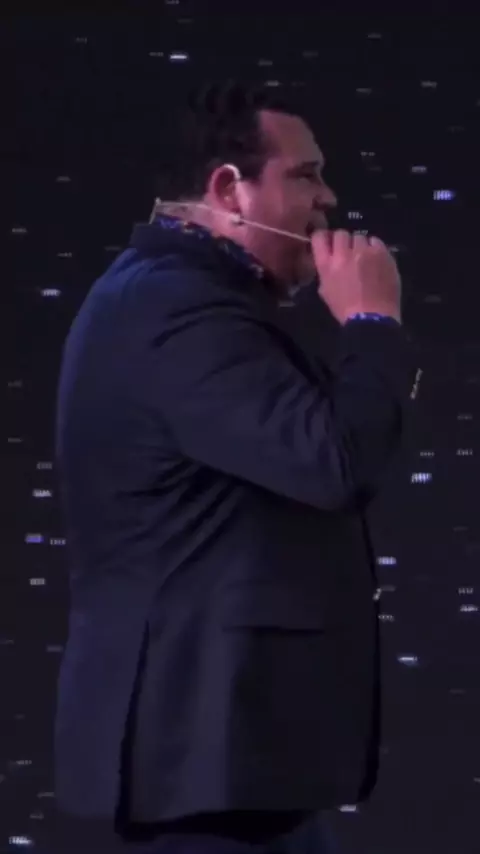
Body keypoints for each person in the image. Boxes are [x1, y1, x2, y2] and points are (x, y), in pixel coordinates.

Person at [54, 82, 418, 853]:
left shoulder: (178, 299)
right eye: (306, 175)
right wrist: (372, 323)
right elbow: (336, 462)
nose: (329, 197)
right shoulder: (175, 309)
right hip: (201, 763)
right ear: (228, 189)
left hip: (233, 766)